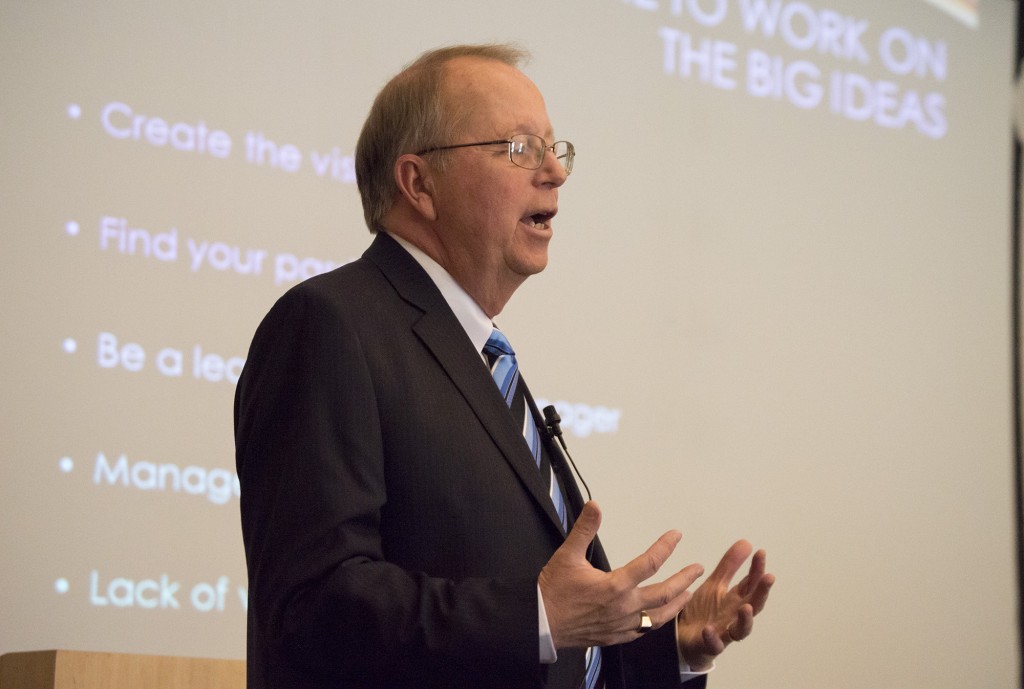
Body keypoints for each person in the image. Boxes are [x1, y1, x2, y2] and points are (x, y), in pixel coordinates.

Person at [234, 43, 773, 689]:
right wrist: (539, 613)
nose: (555, 172)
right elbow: (311, 605)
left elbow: (541, 654)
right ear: (419, 183)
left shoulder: (479, 357)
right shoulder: (330, 325)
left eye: (555, 148)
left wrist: (673, 649)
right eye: (519, 148)